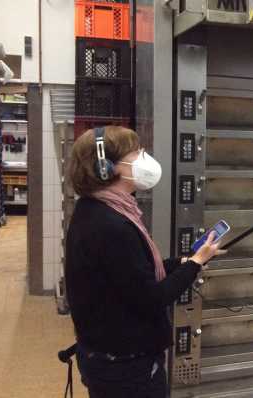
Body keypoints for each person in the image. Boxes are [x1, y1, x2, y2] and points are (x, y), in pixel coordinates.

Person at [64, 126, 225, 398]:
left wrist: (183, 261)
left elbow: (129, 274)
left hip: (106, 358)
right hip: (127, 368)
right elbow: (151, 297)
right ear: (107, 167)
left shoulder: (94, 210)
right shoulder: (112, 225)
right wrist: (196, 263)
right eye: (137, 153)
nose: (144, 158)